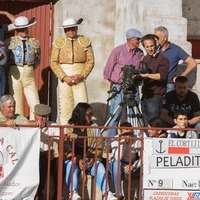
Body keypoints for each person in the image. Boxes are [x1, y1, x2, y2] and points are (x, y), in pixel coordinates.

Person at [64, 102, 117, 200]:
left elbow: (100, 143)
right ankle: (73, 193)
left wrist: (94, 158)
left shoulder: (94, 126)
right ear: (81, 114)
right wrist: (76, 157)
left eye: (92, 115)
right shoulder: (69, 127)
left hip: (90, 159)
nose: (91, 117)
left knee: (99, 167)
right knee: (71, 166)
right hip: (75, 159)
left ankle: (107, 193)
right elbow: (64, 146)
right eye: (89, 115)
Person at [51, 18, 95, 125]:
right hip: (64, 77)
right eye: (68, 29)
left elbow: (91, 61)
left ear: (77, 28)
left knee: (83, 103)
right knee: (65, 105)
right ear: (65, 30)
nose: (71, 31)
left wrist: (81, 76)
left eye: (73, 28)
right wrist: (64, 77)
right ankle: (65, 133)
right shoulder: (59, 42)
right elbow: (53, 62)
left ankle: (82, 130)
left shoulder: (84, 41)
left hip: (79, 76)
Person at [103, 28, 144, 139]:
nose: (139, 41)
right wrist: (112, 81)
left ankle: (133, 141)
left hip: (133, 87)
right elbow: (108, 69)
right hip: (119, 86)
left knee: (133, 114)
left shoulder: (140, 53)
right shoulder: (118, 51)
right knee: (115, 115)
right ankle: (111, 142)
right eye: (137, 39)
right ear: (130, 39)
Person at [5, 16, 40, 120]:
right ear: (16, 30)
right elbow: (5, 60)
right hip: (14, 71)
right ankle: (20, 125)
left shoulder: (34, 42)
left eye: (25, 28)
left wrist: (29, 69)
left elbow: (38, 59)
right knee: (16, 101)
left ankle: (35, 124)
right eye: (21, 29)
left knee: (35, 101)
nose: (24, 31)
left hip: (29, 72)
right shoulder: (9, 41)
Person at [30, 104, 60, 200]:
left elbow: (60, 140)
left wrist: (55, 152)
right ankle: (38, 195)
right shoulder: (28, 124)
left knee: (59, 164)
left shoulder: (53, 125)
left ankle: (58, 195)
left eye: (45, 116)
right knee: (40, 162)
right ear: (34, 114)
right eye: (40, 116)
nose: (43, 119)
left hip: (51, 156)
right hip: (34, 158)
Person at [154, 26, 197, 92]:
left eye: (157, 38)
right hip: (155, 84)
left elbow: (192, 63)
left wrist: (180, 77)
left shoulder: (176, 49)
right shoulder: (154, 49)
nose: (155, 40)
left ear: (165, 37)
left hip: (169, 85)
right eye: (154, 38)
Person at [139, 34, 169, 126]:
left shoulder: (163, 58)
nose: (150, 49)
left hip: (156, 96)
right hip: (145, 95)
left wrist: (147, 75)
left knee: (153, 125)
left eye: (151, 46)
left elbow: (162, 76)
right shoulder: (145, 58)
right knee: (145, 124)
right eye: (147, 47)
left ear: (156, 45)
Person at [109, 122, 141, 199]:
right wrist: (122, 142)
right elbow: (117, 158)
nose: (128, 136)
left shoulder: (137, 139)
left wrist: (133, 166)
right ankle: (118, 193)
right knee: (116, 163)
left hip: (132, 163)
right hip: (118, 164)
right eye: (125, 133)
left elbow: (142, 156)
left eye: (130, 133)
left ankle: (141, 194)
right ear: (120, 132)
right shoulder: (115, 139)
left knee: (143, 163)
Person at [0, 11, 15, 97]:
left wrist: (6, 13)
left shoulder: (2, 28)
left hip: (1, 67)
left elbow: (18, 23)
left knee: (1, 96)